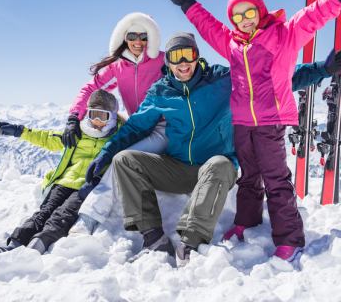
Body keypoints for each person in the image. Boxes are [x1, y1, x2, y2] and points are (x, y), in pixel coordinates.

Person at [85, 32, 336, 266]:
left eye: (188, 55)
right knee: (124, 160)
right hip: (177, 167)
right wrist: (106, 153)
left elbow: (272, 80)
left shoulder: (222, 79)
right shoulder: (161, 92)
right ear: (168, 62)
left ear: (197, 56)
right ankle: (154, 238)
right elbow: (134, 128)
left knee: (219, 163)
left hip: (216, 169)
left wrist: (322, 69)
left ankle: (190, 243)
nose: (183, 63)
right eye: (175, 57)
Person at [161, 0, 341, 261]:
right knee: (249, 177)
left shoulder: (283, 35)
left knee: (275, 179)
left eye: (249, 13)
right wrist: (186, 2)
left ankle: (290, 238)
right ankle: (247, 220)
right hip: (242, 123)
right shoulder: (231, 44)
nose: (244, 20)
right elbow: (207, 26)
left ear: (260, 11)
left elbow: (312, 17)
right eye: (237, 15)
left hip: (271, 122)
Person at [62, 12, 168, 234]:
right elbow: (90, 88)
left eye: (143, 36)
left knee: (121, 159)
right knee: (109, 155)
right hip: (136, 126)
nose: (138, 42)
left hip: (162, 127)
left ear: (151, 38)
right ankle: (81, 192)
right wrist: (74, 117)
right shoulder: (118, 67)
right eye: (132, 35)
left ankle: (90, 215)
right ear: (123, 38)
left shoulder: (162, 60)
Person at [0, 89, 120, 255]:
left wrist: (98, 178)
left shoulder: (118, 137)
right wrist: (18, 131)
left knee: (62, 216)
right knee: (44, 213)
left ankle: (37, 246)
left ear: (112, 116)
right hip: (64, 182)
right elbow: (47, 138)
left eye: (103, 116)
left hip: (86, 186)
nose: (97, 121)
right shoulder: (78, 132)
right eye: (93, 114)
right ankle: (15, 243)